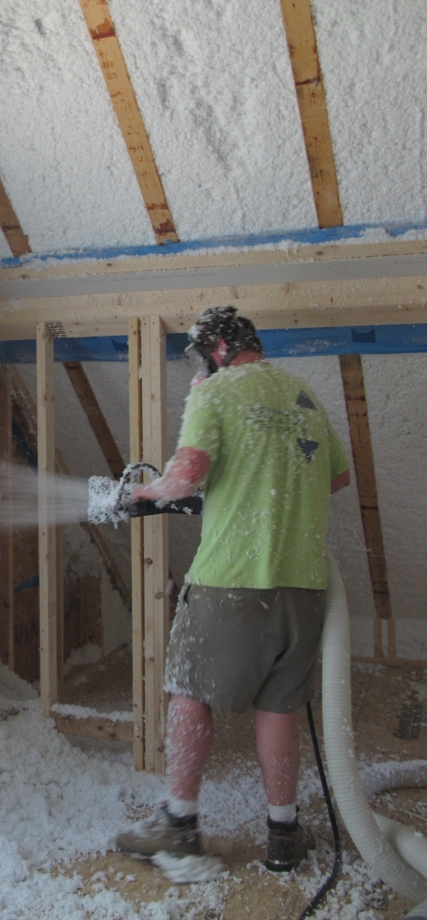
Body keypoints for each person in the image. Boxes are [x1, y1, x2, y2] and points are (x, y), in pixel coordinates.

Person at [115, 305, 350, 881]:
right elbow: (338, 477)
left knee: (189, 693)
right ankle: (284, 834)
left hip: (230, 581)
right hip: (304, 589)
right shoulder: (304, 395)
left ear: (218, 347)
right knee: (278, 708)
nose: (201, 369)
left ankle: (179, 826)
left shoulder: (214, 393)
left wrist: (146, 494)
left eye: (202, 358)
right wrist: (267, 479)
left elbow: (186, 475)